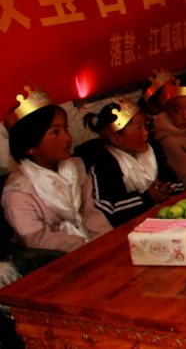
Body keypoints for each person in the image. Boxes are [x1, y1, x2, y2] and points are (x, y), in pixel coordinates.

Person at [1, 84, 112, 252]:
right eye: (54, 132)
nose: (67, 137)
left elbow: (90, 214)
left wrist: (108, 243)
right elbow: (37, 240)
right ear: (29, 147)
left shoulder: (75, 169)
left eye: (65, 128)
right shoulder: (19, 194)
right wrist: (86, 247)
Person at [76, 96, 183, 227]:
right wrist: (147, 199)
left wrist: (164, 191)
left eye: (145, 125)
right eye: (138, 128)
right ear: (117, 138)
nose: (146, 132)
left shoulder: (153, 149)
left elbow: (176, 183)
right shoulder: (104, 164)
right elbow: (108, 209)